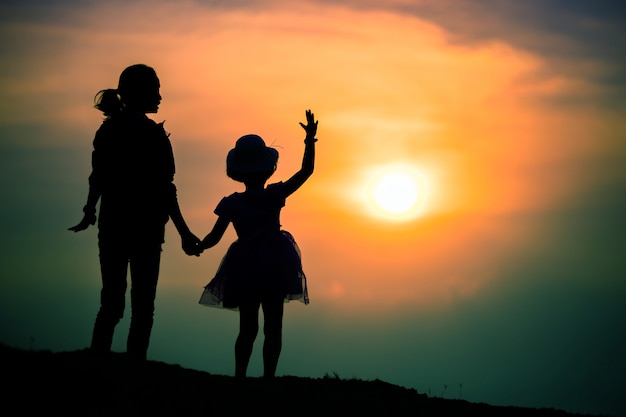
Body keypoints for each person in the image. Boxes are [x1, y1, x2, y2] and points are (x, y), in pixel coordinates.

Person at [69, 64, 200, 360]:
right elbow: (166, 189)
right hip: (146, 230)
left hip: (113, 225)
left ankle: (97, 363)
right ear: (140, 93)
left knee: (111, 304)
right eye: (155, 89)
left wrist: (90, 210)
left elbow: (97, 177)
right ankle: (134, 371)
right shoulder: (153, 135)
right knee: (142, 307)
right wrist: (184, 232)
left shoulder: (107, 130)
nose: (160, 96)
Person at [195, 109, 318, 378]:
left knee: (247, 327)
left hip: (245, 265)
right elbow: (306, 171)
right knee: (273, 326)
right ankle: (268, 378)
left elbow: (214, 238)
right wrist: (310, 140)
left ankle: (240, 376)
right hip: (275, 263)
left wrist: (197, 246)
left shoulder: (231, 203)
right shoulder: (275, 194)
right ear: (268, 167)